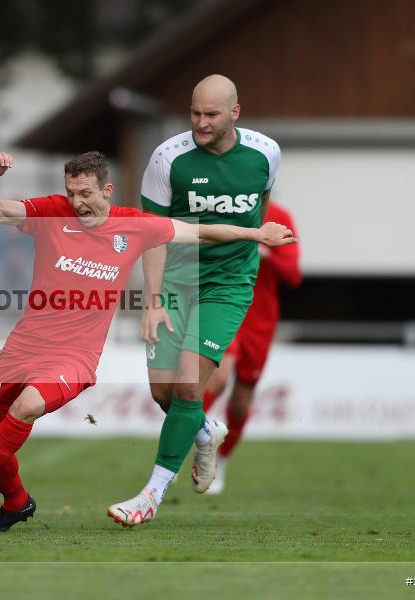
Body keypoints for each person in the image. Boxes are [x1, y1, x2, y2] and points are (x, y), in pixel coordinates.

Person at [0, 150, 295, 532]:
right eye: (71, 193)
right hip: (22, 347)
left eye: (86, 193)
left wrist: (256, 233)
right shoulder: (52, 211)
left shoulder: (134, 225)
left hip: (74, 357)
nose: (77, 202)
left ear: (107, 190)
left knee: (27, 406)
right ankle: (17, 502)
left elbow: (199, 232)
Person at [107, 74, 281, 527]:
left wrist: (248, 247)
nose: (200, 123)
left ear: (235, 113)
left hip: (228, 284)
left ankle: (150, 495)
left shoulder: (265, 153)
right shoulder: (168, 158)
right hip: (176, 282)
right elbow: (151, 235)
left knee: (188, 388)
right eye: (194, 113)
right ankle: (205, 431)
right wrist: (153, 301)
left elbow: (260, 208)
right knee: (164, 393)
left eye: (211, 114)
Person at [200, 200, 301, 494]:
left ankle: (220, 460)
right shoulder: (221, 208)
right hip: (223, 307)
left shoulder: (280, 216)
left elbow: (293, 275)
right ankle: (188, 443)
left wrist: (266, 254)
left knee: (240, 403)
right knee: (218, 377)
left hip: (259, 321)